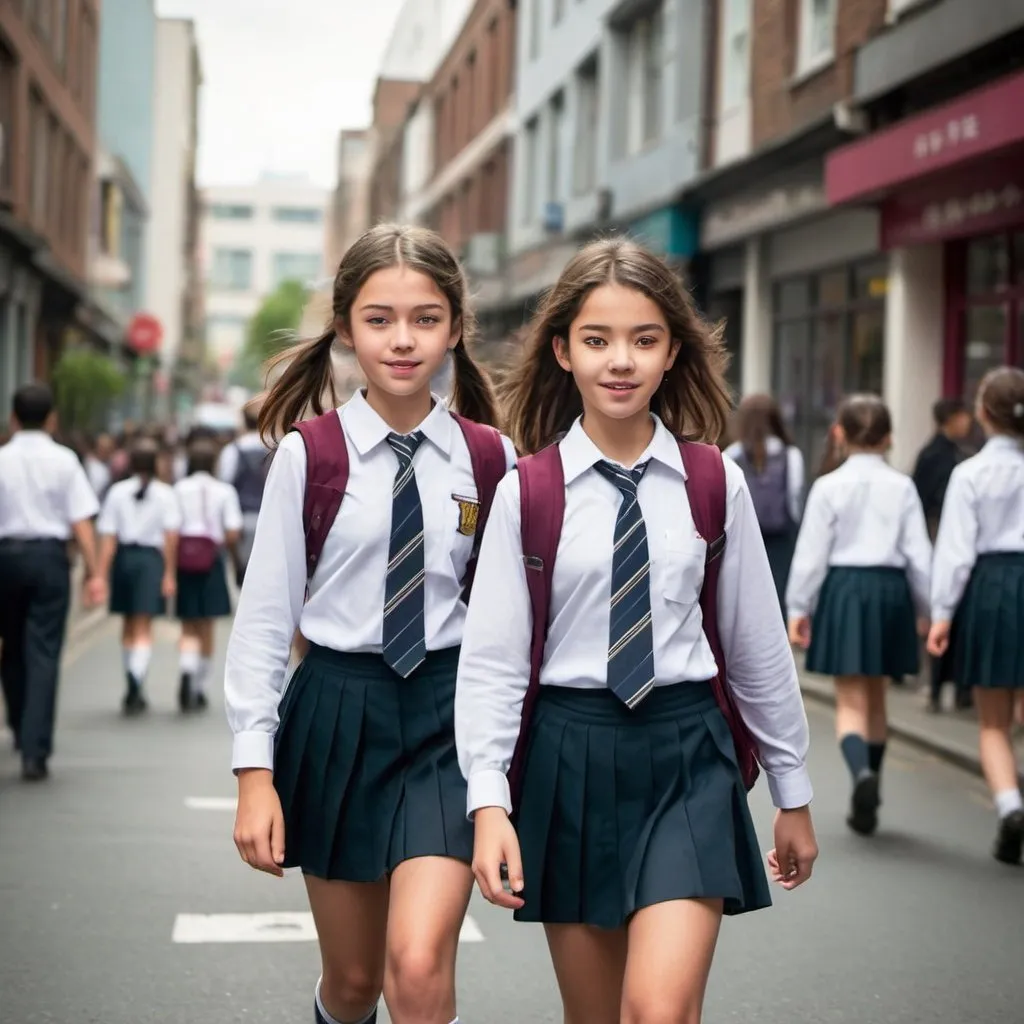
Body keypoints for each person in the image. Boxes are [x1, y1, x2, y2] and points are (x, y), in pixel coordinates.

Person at [455, 238, 817, 1024]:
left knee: (657, 1011)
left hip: (687, 754)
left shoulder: (716, 481)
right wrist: (488, 803)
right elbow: (492, 666)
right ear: (562, 351)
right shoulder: (528, 491)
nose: (621, 361)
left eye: (643, 340)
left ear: (671, 352)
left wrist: (793, 792)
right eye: (597, 340)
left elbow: (755, 646)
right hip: (569, 756)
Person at [225, 224, 514, 1024]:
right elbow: (262, 624)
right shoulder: (308, 456)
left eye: (425, 318)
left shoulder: (491, 458)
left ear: (456, 327)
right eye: (379, 318)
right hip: (337, 712)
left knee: (416, 968)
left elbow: (508, 620)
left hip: (447, 718)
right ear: (346, 326)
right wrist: (254, 773)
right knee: (353, 985)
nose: (402, 339)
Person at [787, 394, 932, 837]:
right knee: (877, 696)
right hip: (890, 591)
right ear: (888, 438)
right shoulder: (903, 486)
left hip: (845, 588)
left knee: (850, 700)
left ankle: (862, 778)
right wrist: (929, 609)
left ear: (839, 434)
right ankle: (873, 783)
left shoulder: (828, 486)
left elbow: (811, 555)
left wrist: (797, 607)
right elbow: (919, 555)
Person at [927, 367, 1024, 865]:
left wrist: (941, 614)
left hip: (992, 589)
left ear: (984, 415)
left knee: (993, 722)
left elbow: (956, 552)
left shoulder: (970, 474)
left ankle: (1010, 806)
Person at [0, 383, 107, 780]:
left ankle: (16, 722)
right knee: (43, 650)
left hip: (5, 558)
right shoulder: (64, 461)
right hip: (48, 559)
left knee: (10, 646)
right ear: (51, 419)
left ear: (13, 418)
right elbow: (81, 520)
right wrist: (94, 572)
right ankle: (35, 749)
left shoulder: (1, 458)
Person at [96, 439, 181, 714]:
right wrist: (169, 573)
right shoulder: (166, 494)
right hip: (150, 561)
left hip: (124, 559)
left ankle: (130, 678)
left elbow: (108, 536)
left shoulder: (117, 492)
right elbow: (170, 537)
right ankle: (137, 677)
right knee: (144, 623)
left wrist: (100, 574)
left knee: (128, 623)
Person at [912, 398, 974, 711]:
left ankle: (956, 687)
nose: (968, 422)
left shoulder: (953, 454)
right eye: (964, 416)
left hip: (947, 538)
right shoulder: (938, 455)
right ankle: (939, 686)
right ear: (950, 418)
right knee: (945, 613)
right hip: (940, 537)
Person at [174, 439, 242, 713]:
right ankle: (200, 686)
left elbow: (170, 527)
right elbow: (233, 530)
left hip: (184, 560)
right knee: (208, 625)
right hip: (211, 559)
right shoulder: (224, 491)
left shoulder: (178, 489)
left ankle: (186, 668)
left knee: (188, 623)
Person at [723, 394, 804, 616]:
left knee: (747, 600)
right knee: (778, 596)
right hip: (781, 540)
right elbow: (795, 498)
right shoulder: (791, 455)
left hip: (743, 536)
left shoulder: (731, 455)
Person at [217, 400, 270, 585]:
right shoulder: (276, 448)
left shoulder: (232, 450)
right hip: (269, 519)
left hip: (240, 518)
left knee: (243, 572)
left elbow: (225, 483)